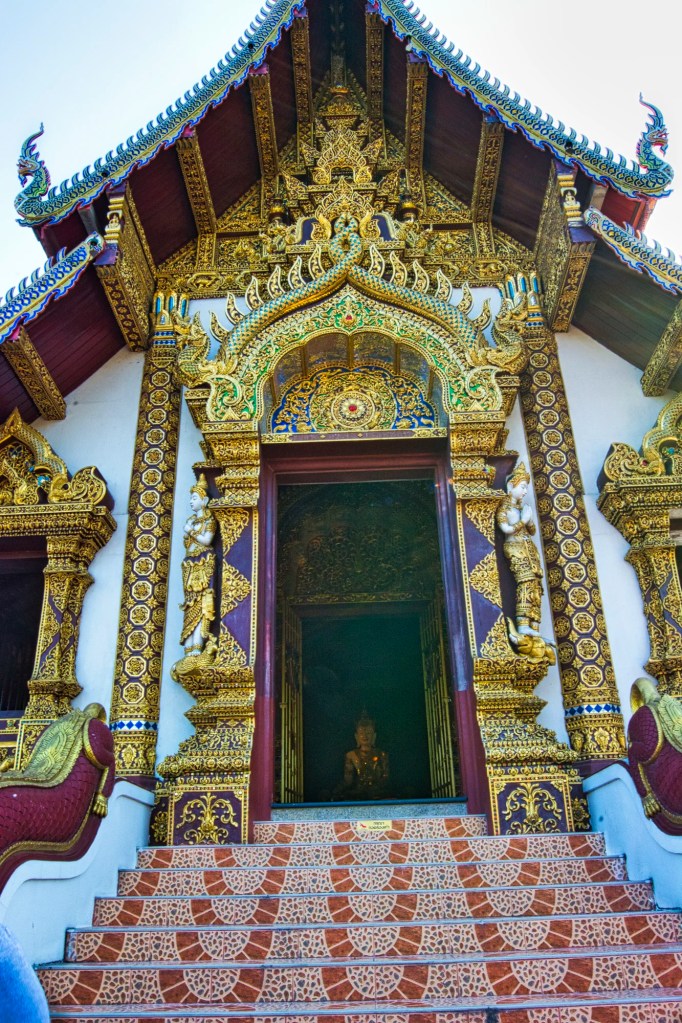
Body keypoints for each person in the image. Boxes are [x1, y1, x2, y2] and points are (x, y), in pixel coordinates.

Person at [496, 462, 544, 637]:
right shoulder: (504, 509)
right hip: (515, 548)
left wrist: (528, 520)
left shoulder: (522, 508)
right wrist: (523, 520)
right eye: (522, 487)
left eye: (526, 488)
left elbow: (532, 531)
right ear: (511, 486)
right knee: (525, 582)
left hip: (528, 548)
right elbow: (506, 529)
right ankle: (523, 623)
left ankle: (534, 624)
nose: (525, 492)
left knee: (536, 584)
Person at [180, 474, 216, 656]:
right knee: (189, 603)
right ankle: (189, 646)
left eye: (194, 498)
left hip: (203, 562)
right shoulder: (191, 522)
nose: (191, 502)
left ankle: (197, 644)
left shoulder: (209, 521)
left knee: (202, 601)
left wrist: (191, 532)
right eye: (191, 499)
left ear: (205, 500)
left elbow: (207, 540)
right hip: (190, 564)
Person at [342, 712, 389, 800]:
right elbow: (348, 780)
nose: (365, 736)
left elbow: (385, 777)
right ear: (356, 736)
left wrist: (376, 786)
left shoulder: (381, 754)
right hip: (358, 791)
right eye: (361, 733)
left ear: (374, 735)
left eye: (368, 733)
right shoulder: (351, 755)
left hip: (377, 792)